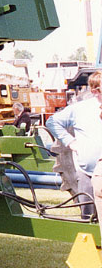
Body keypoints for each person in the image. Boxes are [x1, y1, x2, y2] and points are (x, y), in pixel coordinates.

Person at [45, 71, 102, 216]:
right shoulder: (80, 109)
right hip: (87, 175)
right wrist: (70, 141)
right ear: (95, 91)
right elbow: (52, 122)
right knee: (88, 219)